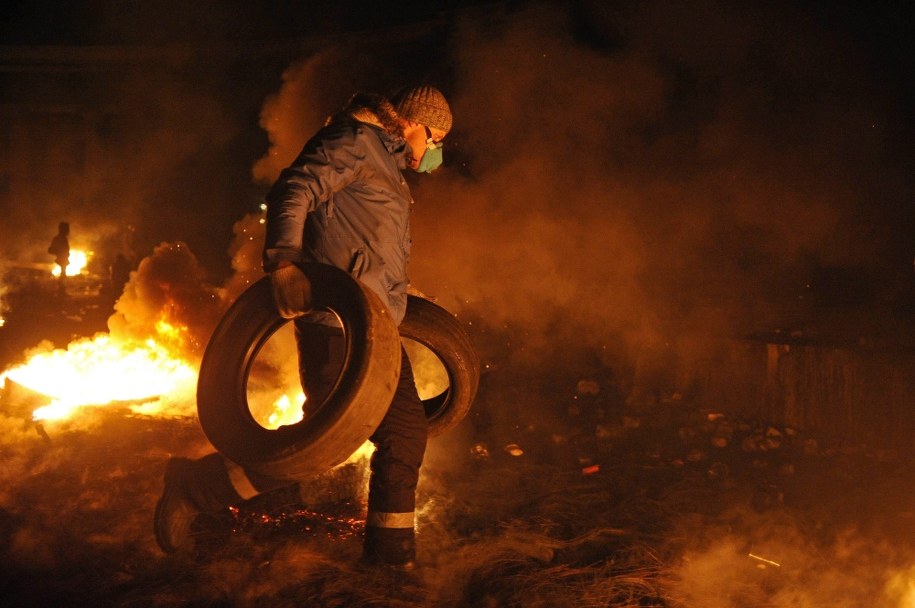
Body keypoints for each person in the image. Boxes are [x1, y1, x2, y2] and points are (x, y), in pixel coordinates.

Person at [154, 85, 453, 570]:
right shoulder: (354, 142)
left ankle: (390, 560)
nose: (435, 151)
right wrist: (284, 263)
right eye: (436, 138)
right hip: (339, 326)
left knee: (385, 436)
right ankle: (195, 488)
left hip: (376, 331)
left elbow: (370, 247)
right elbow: (294, 189)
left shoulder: (387, 167)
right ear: (415, 124)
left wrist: (400, 298)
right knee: (323, 448)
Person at [47, 221, 70, 296]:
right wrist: (60, 253)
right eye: (67, 229)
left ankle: (62, 290)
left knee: (63, 275)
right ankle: (61, 291)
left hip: (63, 258)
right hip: (61, 259)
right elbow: (51, 249)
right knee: (63, 275)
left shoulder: (62, 238)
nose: (68, 231)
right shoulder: (59, 238)